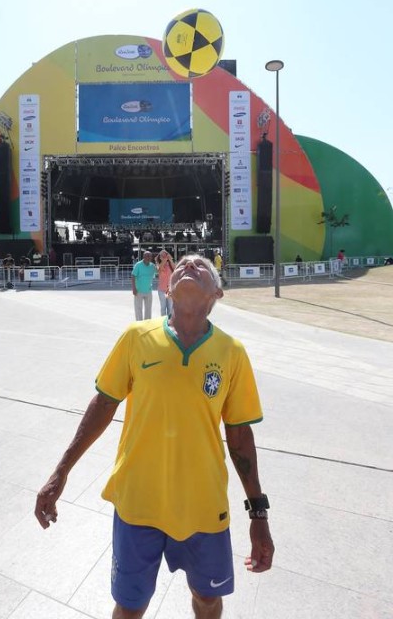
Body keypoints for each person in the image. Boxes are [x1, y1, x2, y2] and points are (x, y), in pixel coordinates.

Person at [36, 254, 274, 619]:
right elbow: (103, 405)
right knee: (130, 607)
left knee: (207, 599)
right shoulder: (136, 338)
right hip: (138, 502)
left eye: (201, 265)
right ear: (167, 285)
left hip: (204, 507)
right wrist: (61, 471)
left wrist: (259, 514)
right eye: (182, 264)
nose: (189, 265)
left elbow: (240, 437)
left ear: (218, 293)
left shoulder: (232, 353)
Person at [131, 250, 156, 321]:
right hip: (138, 290)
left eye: (150, 256)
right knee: (138, 308)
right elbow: (133, 276)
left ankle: (147, 323)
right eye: (147, 256)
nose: (149, 257)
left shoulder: (152, 266)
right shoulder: (138, 265)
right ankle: (139, 323)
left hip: (148, 290)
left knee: (148, 308)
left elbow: (159, 271)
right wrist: (134, 288)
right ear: (144, 257)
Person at [155, 249, 175, 317]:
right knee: (163, 307)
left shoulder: (170, 264)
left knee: (170, 307)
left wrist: (170, 260)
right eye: (162, 255)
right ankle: (162, 321)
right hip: (161, 289)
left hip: (170, 289)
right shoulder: (158, 264)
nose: (164, 256)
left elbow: (175, 269)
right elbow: (160, 268)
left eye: (165, 254)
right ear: (160, 256)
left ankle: (169, 322)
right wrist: (164, 260)